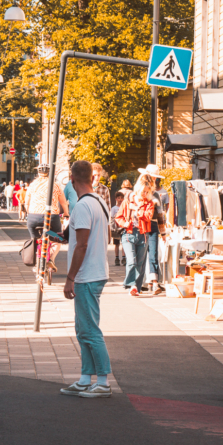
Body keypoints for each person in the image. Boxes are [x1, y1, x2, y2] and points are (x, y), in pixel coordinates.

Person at [59, 161, 114, 399]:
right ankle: (85, 378)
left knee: (90, 330)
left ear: (72, 180)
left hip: (86, 275)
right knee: (83, 329)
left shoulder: (82, 206)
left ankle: (102, 381)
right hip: (95, 270)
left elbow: (81, 244)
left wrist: (70, 277)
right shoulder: (99, 201)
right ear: (92, 178)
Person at [114, 175, 157, 296]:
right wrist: (125, 223)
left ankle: (136, 288)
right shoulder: (128, 202)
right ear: (138, 189)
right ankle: (131, 284)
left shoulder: (149, 203)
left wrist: (137, 209)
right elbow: (118, 217)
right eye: (143, 191)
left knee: (140, 263)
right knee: (132, 261)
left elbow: (148, 217)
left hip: (143, 234)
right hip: (129, 233)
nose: (144, 194)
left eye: (147, 192)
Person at [25, 165, 70, 271]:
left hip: (33, 219)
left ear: (38, 173)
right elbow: (63, 203)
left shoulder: (32, 185)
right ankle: (51, 259)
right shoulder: (55, 185)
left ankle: (36, 261)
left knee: (34, 239)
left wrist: (29, 214)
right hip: (51, 219)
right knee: (58, 239)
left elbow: (26, 203)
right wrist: (66, 214)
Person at [139, 164, 168, 295]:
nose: (153, 180)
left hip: (154, 225)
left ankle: (154, 282)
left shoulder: (156, 194)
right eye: (151, 177)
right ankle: (143, 282)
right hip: (141, 224)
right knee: (141, 254)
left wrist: (163, 233)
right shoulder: (139, 192)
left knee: (153, 253)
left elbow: (160, 215)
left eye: (154, 178)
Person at [111, 192, 126, 266]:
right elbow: (112, 218)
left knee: (123, 243)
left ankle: (123, 257)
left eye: (121, 198)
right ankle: (117, 257)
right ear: (116, 199)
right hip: (116, 228)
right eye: (118, 198)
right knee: (116, 244)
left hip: (123, 227)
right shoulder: (114, 208)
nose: (120, 199)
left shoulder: (125, 207)